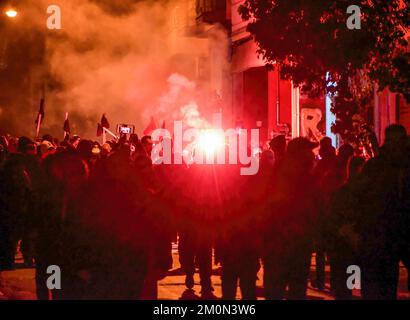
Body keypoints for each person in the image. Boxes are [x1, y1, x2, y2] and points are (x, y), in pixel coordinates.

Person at [263, 138, 318, 299]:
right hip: (282, 243)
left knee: (295, 289)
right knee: (279, 288)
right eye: (308, 151)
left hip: (297, 243)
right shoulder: (285, 175)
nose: (312, 155)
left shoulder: (306, 176)